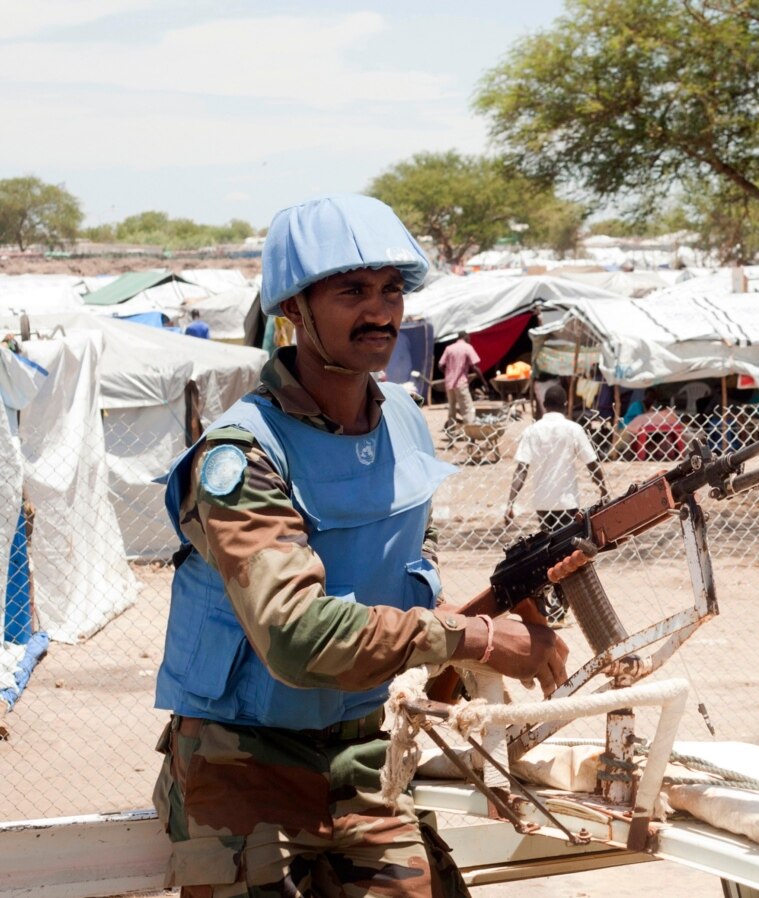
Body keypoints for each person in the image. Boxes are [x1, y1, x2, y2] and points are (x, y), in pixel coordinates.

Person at [151, 194, 571, 898]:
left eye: (390, 290)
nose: (379, 311)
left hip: (361, 745)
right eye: (350, 292)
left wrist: (503, 601)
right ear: (294, 308)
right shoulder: (243, 456)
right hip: (239, 764)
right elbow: (296, 638)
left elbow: (408, 570)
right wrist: (475, 638)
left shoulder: (404, 421)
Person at [505, 384, 609, 535]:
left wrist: (510, 503)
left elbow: (521, 470)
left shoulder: (532, 431)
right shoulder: (573, 429)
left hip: (542, 502)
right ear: (565, 405)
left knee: (547, 545)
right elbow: (591, 463)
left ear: (544, 405)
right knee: (568, 545)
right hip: (567, 500)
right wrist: (604, 490)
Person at [439, 333, 491, 429]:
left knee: (452, 410)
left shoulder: (449, 348)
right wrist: (484, 382)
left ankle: (451, 435)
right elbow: (475, 366)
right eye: (469, 338)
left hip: (449, 384)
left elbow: (440, 365)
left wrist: (449, 373)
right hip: (461, 383)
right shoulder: (467, 347)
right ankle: (471, 436)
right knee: (468, 410)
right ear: (466, 337)